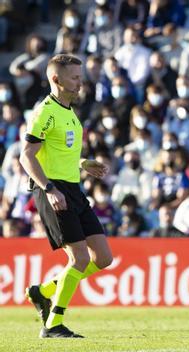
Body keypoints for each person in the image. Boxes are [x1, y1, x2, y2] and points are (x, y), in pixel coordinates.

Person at [20, 54, 113, 338]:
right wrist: (49, 189)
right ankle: (53, 325)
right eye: (74, 77)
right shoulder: (45, 112)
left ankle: (43, 291)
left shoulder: (70, 113)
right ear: (56, 79)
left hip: (73, 189)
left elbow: (60, 154)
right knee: (80, 260)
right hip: (53, 190)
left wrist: (84, 163)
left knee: (104, 258)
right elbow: (27, 156)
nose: (80, 82)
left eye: (80, 76)